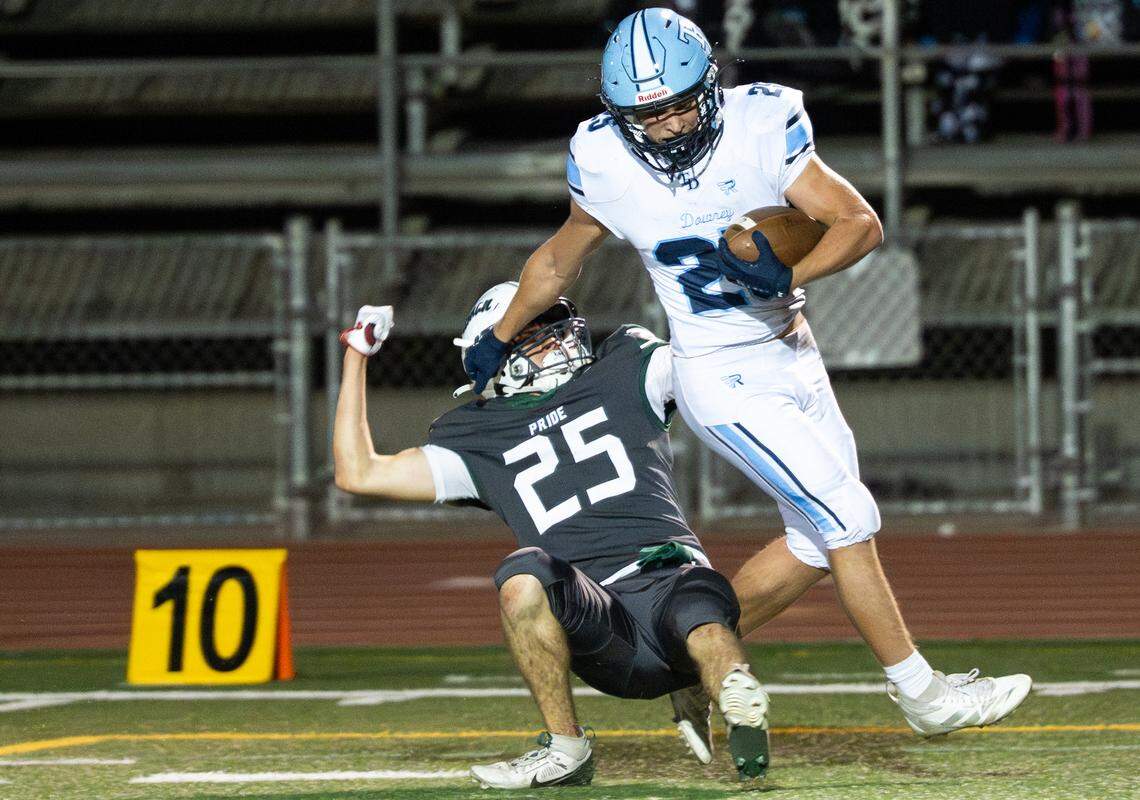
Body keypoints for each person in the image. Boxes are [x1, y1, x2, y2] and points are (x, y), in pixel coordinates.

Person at [459, 7, 1033, 763]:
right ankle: (923, 695)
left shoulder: (764, 121)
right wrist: (498, 340)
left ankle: (688, 664)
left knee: (816, 541)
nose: (662, 128)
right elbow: (561, 260)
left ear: (711, 81)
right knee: (847, 513)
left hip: (792, 350)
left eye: (674, 106)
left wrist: (790, 272)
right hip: (719, 373)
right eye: (643, 115)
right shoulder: (603, 157)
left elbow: (859, 224)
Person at [332, 285, 771, 789]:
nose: (563, 337)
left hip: (669, 573)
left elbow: (707, 355)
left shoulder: (623, 364)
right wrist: (356, 354)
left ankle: (729, 692)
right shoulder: (476, 437)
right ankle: (566, 747)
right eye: (539, 334)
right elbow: (358, 472)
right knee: (523, 573)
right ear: (498, 360)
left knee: (721, 595)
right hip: (601, 622)